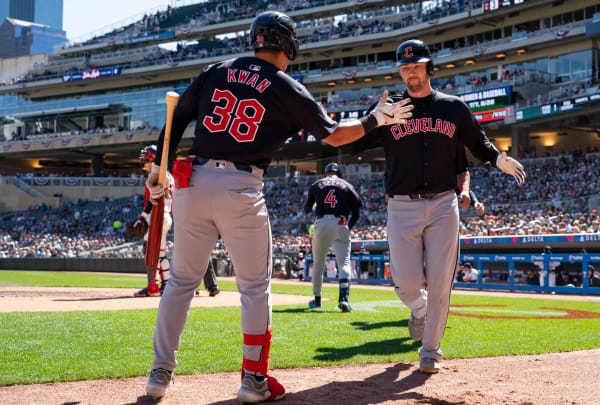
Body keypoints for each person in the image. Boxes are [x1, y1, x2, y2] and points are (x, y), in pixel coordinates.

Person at [143, 11, 413, 401]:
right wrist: (375, 120)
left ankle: (159, 373)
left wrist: (158, 169)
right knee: (254, 287)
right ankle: (253, 380)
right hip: (240, 186)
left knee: (181, 283)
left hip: (193, 183)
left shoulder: (217, 69)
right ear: (287, 44)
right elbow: (335, 136)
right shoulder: (286, 86)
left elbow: (177, 117)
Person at [346, 39, 525, 374]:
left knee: (443, 280)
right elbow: (353, 143)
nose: (411, 71)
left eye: (417, 65)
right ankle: (417, 307)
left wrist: (497, 159)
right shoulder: (391, 109)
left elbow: (477, 141)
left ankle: (430, 349)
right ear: (399, 71)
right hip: (401, 205)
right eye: (405, 67)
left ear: (428, 68)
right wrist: (373, 119)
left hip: (444, 203)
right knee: (406, 283)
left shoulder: (453, 107)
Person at [304, 162, 361, 312]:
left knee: (318, 263)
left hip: (321, 222)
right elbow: (357, 210)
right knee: (344, 263)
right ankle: (344, 299)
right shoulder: (347, 185)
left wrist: (313, 222)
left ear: (326, 173)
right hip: (341, 222)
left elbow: (307, 208)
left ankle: (317, 300)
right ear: (339, 174)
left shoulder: (316, 184)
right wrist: (349, 226)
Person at [130, 145, 174, 297]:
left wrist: (143, 216)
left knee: (151, 253)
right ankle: (167, 285)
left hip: (157, 216)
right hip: (167, 216)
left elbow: (153, 199)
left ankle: (152, 287)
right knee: (160, 253)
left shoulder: (157, 176)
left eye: (147, 162)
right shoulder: (169, 175)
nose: (146, 165)